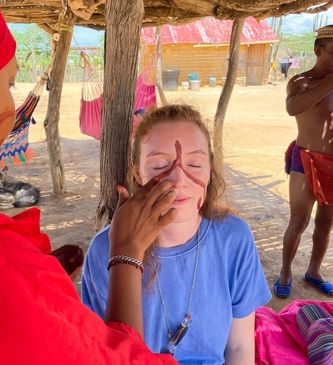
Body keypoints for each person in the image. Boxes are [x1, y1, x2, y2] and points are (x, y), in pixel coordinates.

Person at [0, 1, 179, 364]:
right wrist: (127, 252)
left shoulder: (230, 238)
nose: (9, 107)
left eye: (196, 162)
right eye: (9, 82)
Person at [82, 104, 272, 364]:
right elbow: (105, 352)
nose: (179, 180)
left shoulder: (233, 239)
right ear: (137, 172)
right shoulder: (106, 250)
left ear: (210, 168)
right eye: (160, 165)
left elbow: (239, 349)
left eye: (195, 163)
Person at [274, 25, 333, 299]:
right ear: (318, 50)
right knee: (298, 221)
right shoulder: (301, 82)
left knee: (325, 223)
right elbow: (291, 108)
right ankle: (285, 271)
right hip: (305, 158)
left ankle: (314, 271)